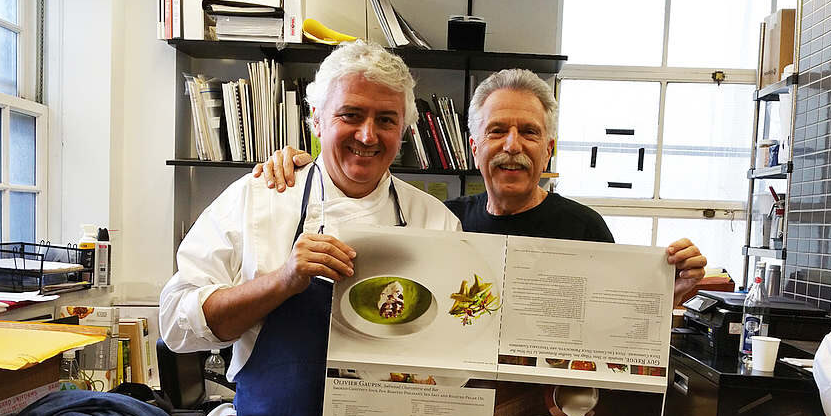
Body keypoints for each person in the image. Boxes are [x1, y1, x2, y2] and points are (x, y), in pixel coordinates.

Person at [159, 40, 460, 416]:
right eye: (350, 115)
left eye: (386, 120)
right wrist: (282, 280)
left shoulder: (437, 222)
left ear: (404, 132)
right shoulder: (256, 199)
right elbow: (177, 325)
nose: (367, 136)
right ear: (316, 119)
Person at [256, 69, 706, 305]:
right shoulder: (441, 221)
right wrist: (307, 164)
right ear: (473, 148)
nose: (513, 146)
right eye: (497, 132)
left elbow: (612, 324)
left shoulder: (586, 229)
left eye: (529, 133)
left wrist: (666, 296)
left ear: (548, 149)